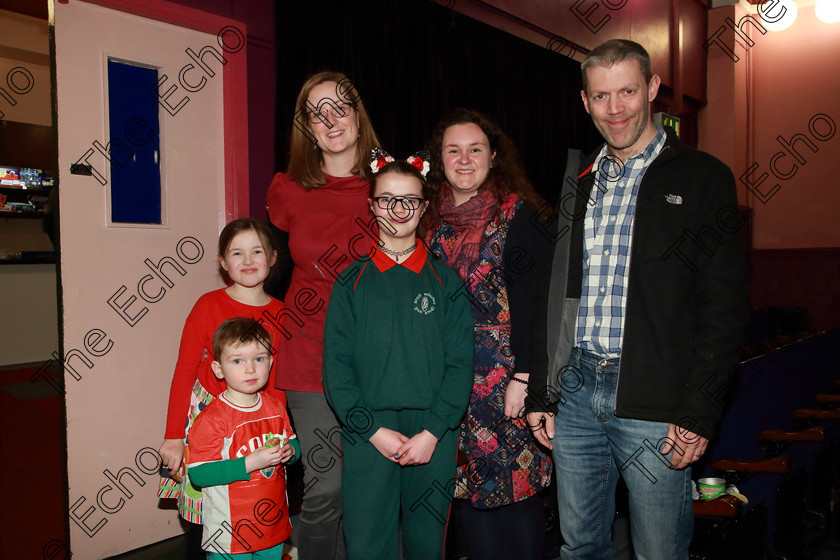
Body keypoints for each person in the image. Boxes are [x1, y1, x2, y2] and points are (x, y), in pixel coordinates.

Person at [526, 39, 748, 559]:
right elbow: (553, 295)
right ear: (585, 102)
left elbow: (724, 306)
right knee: (579, 546)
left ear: (651, 89)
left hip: (657, 396)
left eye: (627, 90)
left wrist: (700, 409)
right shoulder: (576, 182)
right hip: (577, 391)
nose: (615, 107)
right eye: (601, 96)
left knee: (659, 551)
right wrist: (543, 387)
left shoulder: (702, 177)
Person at [323, 154, 474, 560]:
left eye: (409, 199)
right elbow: (336, 370)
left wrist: (434, 431)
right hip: (367, 431)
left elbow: (461, 365)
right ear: (371, 206)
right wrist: (370, 429)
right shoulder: (350, 282)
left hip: (433, 433)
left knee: (428, 543)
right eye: (387, 199)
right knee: (368, 542)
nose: (399, 209)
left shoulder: (446, 281)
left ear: (424, 207)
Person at [424, 109, 554, 560]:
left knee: (516, 491)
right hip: (449, 378)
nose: (464, 159)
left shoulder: (521, 216)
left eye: (475, 149)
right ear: (438, 159)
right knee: (470, 493)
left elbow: (540, 304)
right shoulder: (425, 222)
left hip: (506, 381)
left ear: (493, 156)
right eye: (453, 150)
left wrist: (526, 377)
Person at [264, 71, 381, 560]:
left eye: (340, 107)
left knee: (370, 491)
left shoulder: (392, 183)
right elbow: (267, 270)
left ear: (358, 116)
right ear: (307, 126)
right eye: (318, 112)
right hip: (307, 353)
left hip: (374, 355)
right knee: (326, 486)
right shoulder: (288, 189)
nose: (331, 119)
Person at [157, 218, 287, 559]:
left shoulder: (282, 314)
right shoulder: (207, 305)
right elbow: (184, 372)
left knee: (253, 510)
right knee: (207, 518)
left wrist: (282, 432)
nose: (247, 261)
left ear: (273, 257)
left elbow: (278, 384)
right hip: (208, 424)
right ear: (222, 262)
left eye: (257, 251)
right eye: (237, 253)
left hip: (257, 427)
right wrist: (173, 436)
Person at [187, 317, 299, 559]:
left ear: (270, 362)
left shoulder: (276, 407)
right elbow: (198, 474)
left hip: (273, 525)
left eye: (258, 359)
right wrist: (249, 464)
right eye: (237, 361)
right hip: (230, 535)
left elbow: (292, 442)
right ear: (218, 369)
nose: (250, 369)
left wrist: (291, 451)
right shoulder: (212, 419)